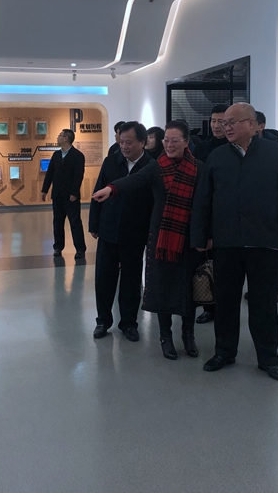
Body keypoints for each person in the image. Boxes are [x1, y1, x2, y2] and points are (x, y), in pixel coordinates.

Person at [191, 103, 278, 380]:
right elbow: (204, 199)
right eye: (224, 123)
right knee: (225, 301)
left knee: (264, 304)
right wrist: (200, 236)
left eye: (233, 122)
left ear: (252, 124)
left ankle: (268, 357)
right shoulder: (217, 156)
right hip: (226, 242)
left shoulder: (275, 153)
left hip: (264, 241)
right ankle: (224, 351)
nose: (226, 127)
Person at [93, 120, 203, 360]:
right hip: (161, 237)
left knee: (187, 289)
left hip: (186, 237)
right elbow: (133, 181)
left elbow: (204, 204)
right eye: (167, 140)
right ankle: (165, 337)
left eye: (175, 140)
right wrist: (111, 189)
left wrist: (205, 236)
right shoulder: (156, 167)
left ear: (186, 142)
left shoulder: (198, 169)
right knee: (161, 287)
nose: (170, 145)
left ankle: (188, 336)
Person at [88, 122, 154, 341]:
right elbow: (98, 191)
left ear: (142, 142)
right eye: (121, 142)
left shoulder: (150, 166)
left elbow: (153, 202)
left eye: (129, 142)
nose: (124, 146)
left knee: (131, 280)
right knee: (104, 278)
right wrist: (94, 224)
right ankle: (102, 321)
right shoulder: (111, 161)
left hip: (135, 233)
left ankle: (129, 323)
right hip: (109, 229)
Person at [194, 103, 229, 324]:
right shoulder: (201, 148)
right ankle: (209, 307)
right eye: (213, 121)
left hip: (228, 216)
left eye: (221, 122)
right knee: (206, 265)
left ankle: (225, 308)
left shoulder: (234, 148)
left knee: (226, 269)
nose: (216, 126)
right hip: (207, 212)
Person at [256, 110, 278, 303]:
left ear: (261, 126)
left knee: (276, 248)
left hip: (273, 207)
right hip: (253, 208)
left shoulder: (277, 149)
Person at [41, 129, 87, 258]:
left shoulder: (78, 156)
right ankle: (58, 247)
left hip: (71, 196)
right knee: (57, 222)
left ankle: (80, 249)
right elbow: (50, 173)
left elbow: (78, 176)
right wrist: (44, 190)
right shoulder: (56, 155)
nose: (58, 137)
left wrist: (74, 192)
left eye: (60, 135)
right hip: (57, 194)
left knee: (75, 222)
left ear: (66, 138)